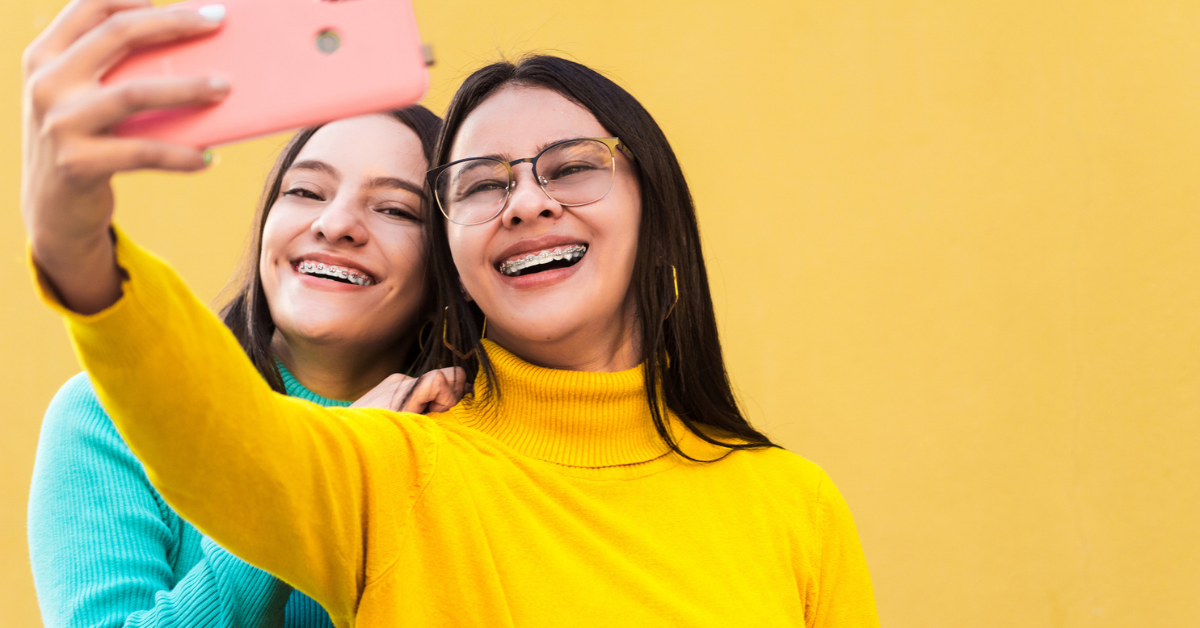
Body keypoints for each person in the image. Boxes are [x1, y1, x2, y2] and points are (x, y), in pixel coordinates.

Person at [22, 2, 880, 627]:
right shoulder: (384, 462)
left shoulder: (794, 504)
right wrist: (76, 241)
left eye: (573, 167)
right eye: (482, 185)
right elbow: (199, 411)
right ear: (466, 264)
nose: (528, 203)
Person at [22, 3, 460, 626]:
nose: (334, 224)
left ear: (447, 265)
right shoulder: (110, 417)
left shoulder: (467, 436)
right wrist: (315, 477)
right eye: (305, 191)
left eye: (395, 209)